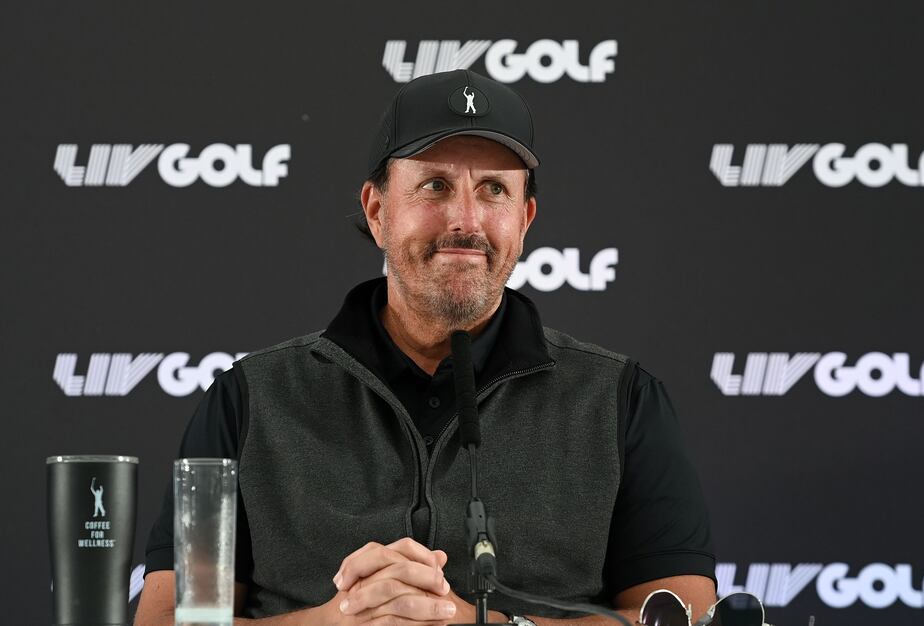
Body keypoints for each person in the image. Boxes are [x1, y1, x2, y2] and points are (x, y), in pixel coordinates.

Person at [135, 69, 716, 626]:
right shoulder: (250, 399)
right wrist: (328, 623)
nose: (465, 220)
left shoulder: (620, 400)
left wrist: (481, 623)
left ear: (524, 219)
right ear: (377, 211)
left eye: (493, 190)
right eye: (435, 185)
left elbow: (684, 619)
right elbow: (163, 620)